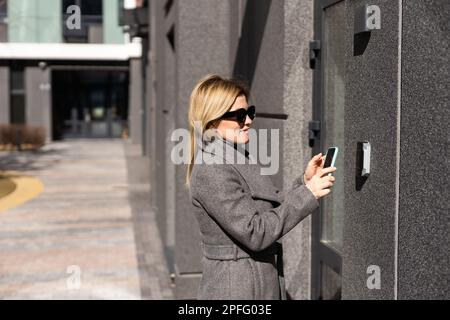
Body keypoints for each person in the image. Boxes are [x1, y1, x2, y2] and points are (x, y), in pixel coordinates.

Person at [186, 74, 336, 300]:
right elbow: (255, 232)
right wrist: (308, 194)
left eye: (250, 112)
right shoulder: (213, 167)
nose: (248, 121)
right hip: (237, 288)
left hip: (253, 281)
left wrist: (304, 183)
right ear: (212, 121)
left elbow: (265, 208)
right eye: (239, 115)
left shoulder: (233, 156)